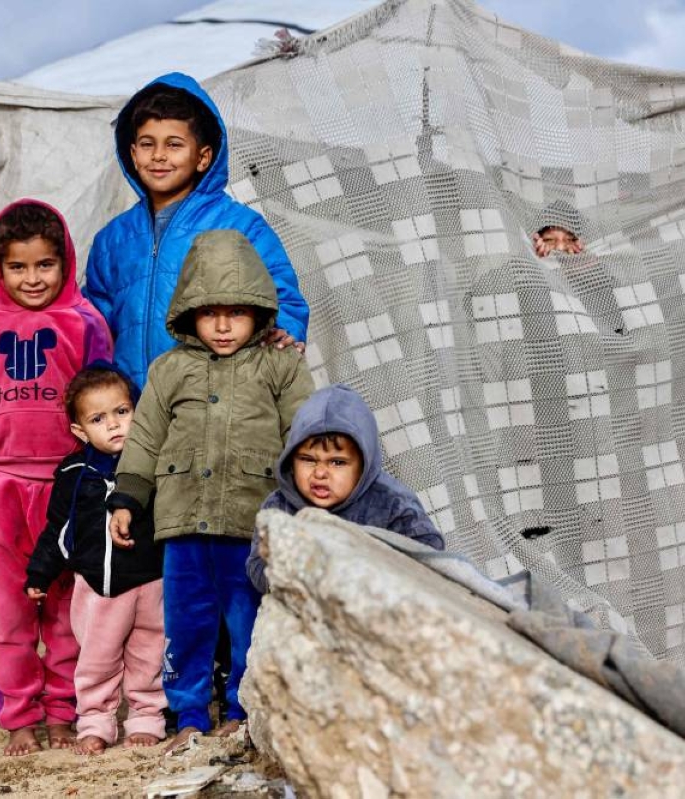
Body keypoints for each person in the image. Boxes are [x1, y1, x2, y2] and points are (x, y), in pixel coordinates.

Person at [106, 229, 315, 753]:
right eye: (209, 312)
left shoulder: (281, 365)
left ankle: (244, 711)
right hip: (183, 525)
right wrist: (128, 497)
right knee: (187, 623)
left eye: (237, 312)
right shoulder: (169, 369)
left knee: (249, 623)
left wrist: (305, 503)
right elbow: (146, 437)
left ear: (259, 312)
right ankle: (189, 713)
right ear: (188, 312)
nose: (223, 326)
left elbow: (302, 434)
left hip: (250, 524)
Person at [0, 199, 112, 756]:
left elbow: (104, 393)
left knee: (66, 608)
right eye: (18, 267)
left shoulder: (84, 323)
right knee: (8, 609)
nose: (32, 278)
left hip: (68, 487)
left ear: (65, 263)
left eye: (45, 264)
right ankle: (18, 716)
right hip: (0, 487)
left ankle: (63, 711)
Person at [84, 72, 309, 391]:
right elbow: (93, 326)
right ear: (133, 154)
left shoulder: (239, 226)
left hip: (217, 401)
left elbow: (281, 296)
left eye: (174, 144)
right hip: (135, 406)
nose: (158, 155)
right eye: (147, 144)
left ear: (203, 157)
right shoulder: (112, 241)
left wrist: (284, 332)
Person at [24, 364, 166, 755]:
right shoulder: (74, 473)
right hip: (99, 588)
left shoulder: (155, 465)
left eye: (122, 411)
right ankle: (95, 721)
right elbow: (58, 529)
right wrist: (40, 572)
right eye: (98, 419)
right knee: (97, 659)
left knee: (149, 654)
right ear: (80, 431)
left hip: (153, 579)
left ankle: (147, 717)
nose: (114, 424)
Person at [246, 385, 446, 593]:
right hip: (304, 603)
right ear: (291, 460)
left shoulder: (392, 503)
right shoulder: (279, 507)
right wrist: (288, 576)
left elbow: (429, 552)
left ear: (364, 465)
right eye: (308, 459)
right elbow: (257, 565)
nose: (320, 473)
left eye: (337, 462)